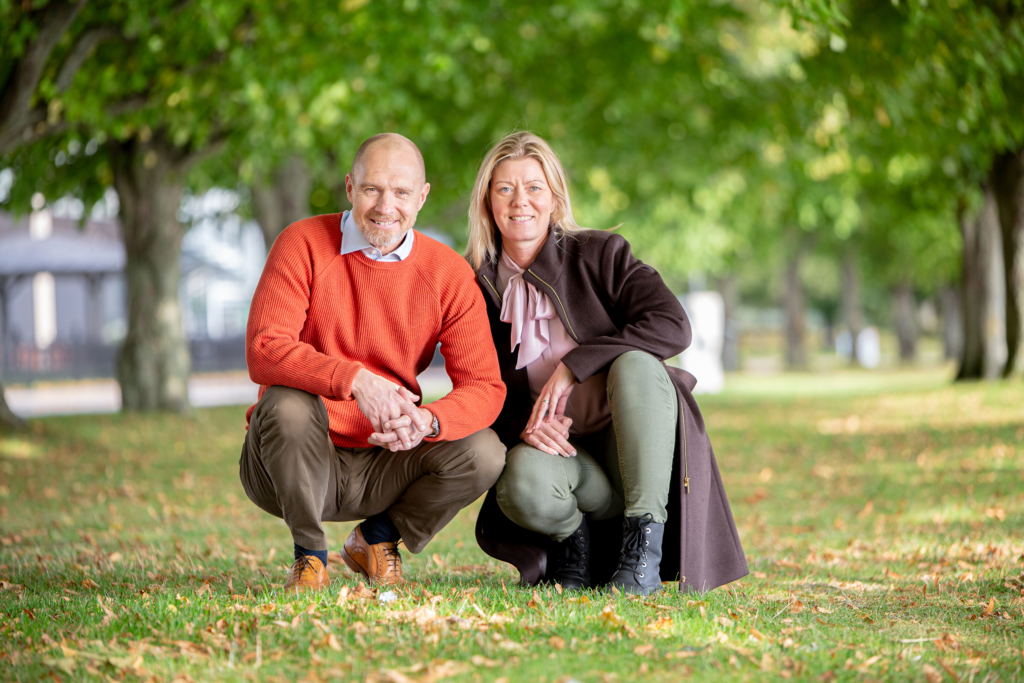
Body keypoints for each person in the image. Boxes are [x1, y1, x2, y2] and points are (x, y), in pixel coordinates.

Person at [467, 132, 747, 594]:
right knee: (521, 480)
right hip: (567, 464)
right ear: (487, 202)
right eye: (505, 188)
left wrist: (574, 364)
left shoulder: (599, 254)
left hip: (635, 452)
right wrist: (525, 426)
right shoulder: (474, 286)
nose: (521, 201)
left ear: (554, 198)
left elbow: (673, 324)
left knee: (636, 364)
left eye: (534, 187)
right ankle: (575, 549)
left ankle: (642, 558)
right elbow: (477, 385)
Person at [241, 133, 506, 593]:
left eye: (401, 192)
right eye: (372, 190)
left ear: (422, 197)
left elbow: (485, 386)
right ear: (350, 188)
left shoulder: (447, 273)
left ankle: (377, 539)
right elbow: (265, 347)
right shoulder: (301, 243)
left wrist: (427, 421)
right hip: (293, 459)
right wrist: (355, 380)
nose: (386, 206)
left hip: (388, 459)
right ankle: (310, 557)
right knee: (286, 403)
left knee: (485, 452)